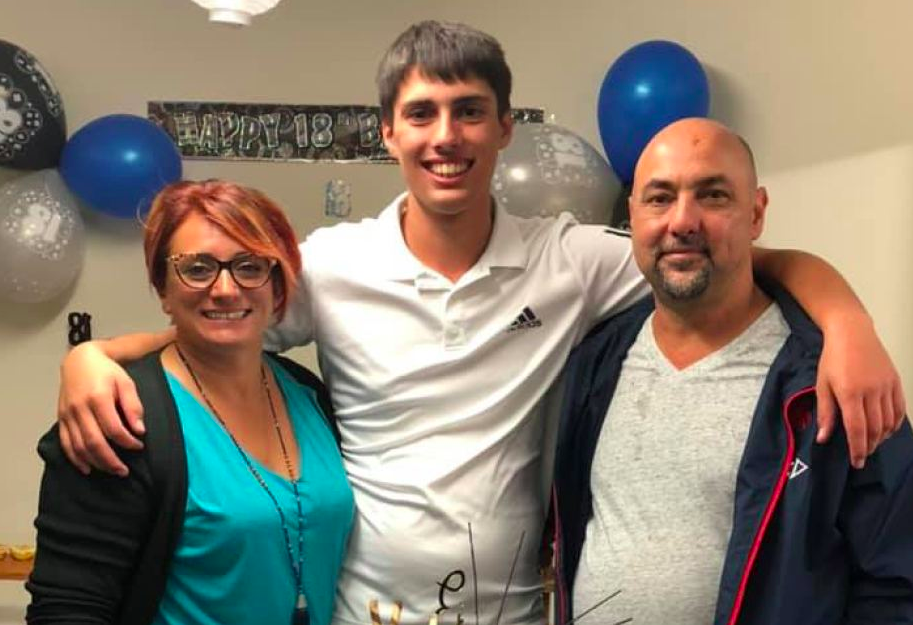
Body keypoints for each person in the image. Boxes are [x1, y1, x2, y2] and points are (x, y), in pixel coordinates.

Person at [54, 21, 905, 625]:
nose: (445, 135)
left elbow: (715, 255)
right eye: (421, 114)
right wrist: (94, 355)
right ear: (387, 131)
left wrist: (845, 320)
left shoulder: (575, 260)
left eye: (468, 111)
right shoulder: (330, 266)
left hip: (518, 612)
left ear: (504, 127)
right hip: (363, 612)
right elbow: (215, 319)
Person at [552, 119, 913, 625]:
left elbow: (895, 584)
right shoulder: (595, 360)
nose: (682, 221)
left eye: (713, 195)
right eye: (659, 198)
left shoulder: (831, 382)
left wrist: (846, 320)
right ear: (631, 215)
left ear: (756, 213)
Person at [27, 180, 354, 625]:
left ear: (278, 287)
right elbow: (68, 611)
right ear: (163, 287)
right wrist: (89, 354)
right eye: (197, 268)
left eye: (249, 266)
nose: (224, 289)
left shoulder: (308, 394)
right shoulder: (118, 416)